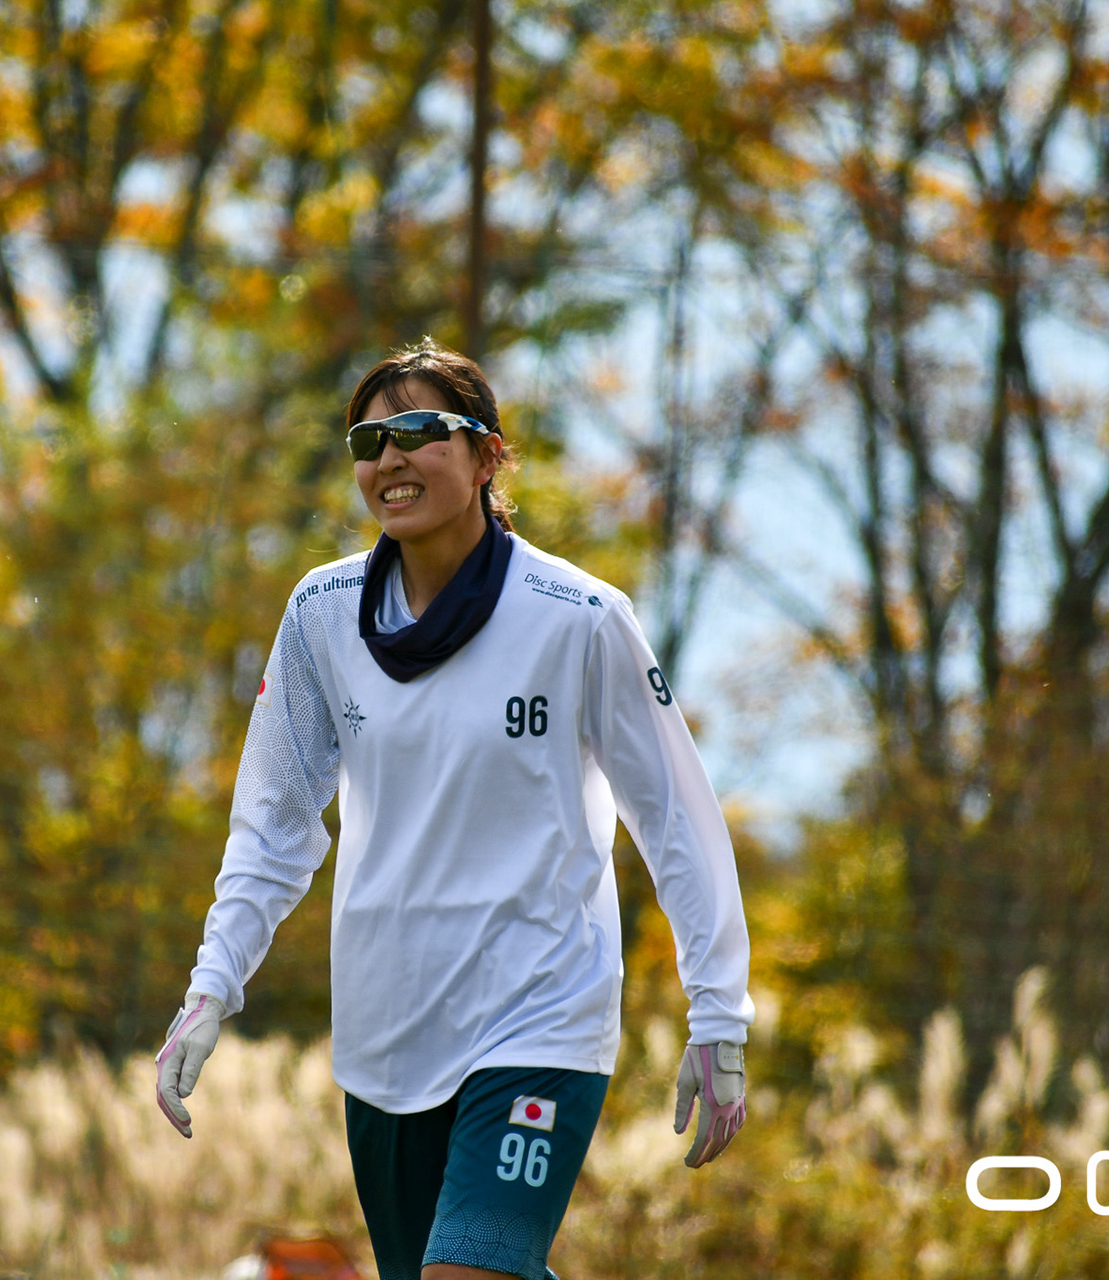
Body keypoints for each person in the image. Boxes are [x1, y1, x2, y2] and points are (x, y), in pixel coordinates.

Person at [155, 339, 754, 1280]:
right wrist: (211, 986)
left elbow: (676, 818)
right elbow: (272, 827)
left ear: (486, 458)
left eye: (420, 430)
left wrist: (719, 1012)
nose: (390, 457)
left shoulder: (580, 616)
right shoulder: (320, 613)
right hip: (385, 1039)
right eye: (369, 440)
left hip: (539, 1020)